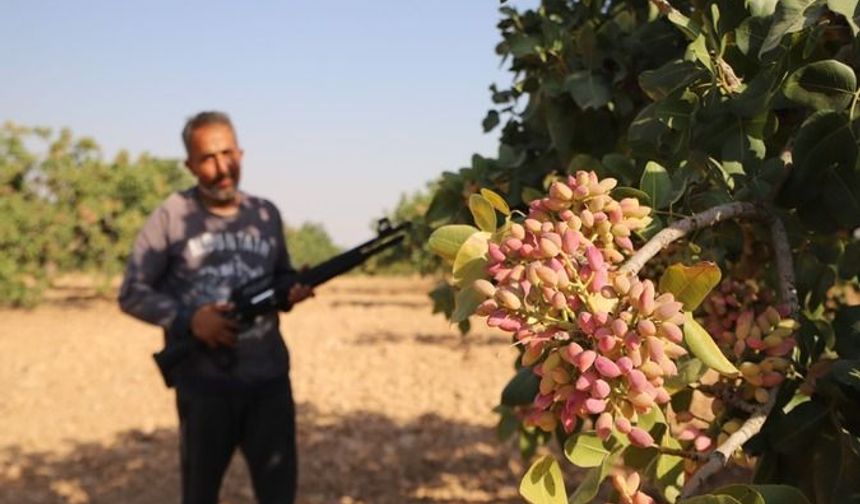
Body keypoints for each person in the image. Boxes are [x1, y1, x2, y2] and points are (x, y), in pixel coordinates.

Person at [118, 111, 313, 504]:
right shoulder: (171, 216)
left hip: (269, 383)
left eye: (228, 153)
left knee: (279, 494)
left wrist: (290, 292)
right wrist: (190, 320)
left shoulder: (266, 214)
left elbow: (280, 278)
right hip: (204, 388)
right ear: (189, 164)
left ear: (241, 152)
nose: (222, 167)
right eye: (207, 158)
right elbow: (132, 291)